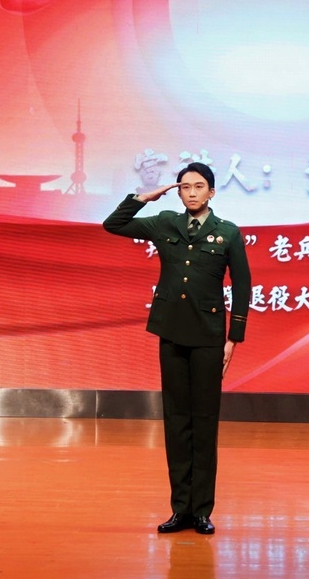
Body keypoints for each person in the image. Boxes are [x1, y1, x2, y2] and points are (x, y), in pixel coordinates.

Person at [103, 161, 251, 536]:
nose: (191, 192)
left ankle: (201, 511)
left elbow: (243, 287)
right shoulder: (165, 223)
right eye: (184, 187)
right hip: (171, 333)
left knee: (204, 423)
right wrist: (144, 197)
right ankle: (180, 509)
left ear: (211, 193)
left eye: (198, 186)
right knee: (176, 421)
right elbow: (113, 224)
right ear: (178, 192)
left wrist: (233, 338)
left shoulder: (227, 232)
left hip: (208, 337)